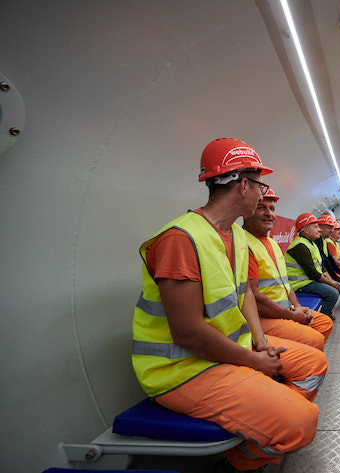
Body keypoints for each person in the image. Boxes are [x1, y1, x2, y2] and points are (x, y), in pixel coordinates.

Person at [131, 138, 328, 473]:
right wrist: (253, 360)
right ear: (243, 185)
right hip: (185, 369)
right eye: (260, 186)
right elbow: (188, 333)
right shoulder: (181, 240)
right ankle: (238, 464)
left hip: (229, 352)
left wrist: (261, 343)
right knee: (302, 422)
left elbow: (245, 295)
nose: (262, 196)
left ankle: (261, 434)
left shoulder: (235, 236)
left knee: (313, 362)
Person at [243, 188, 333, 351]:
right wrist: (292, 316)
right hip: (264, 317)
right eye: (261, 207)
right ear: (247, 211)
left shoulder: (273, 244)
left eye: (272, 208)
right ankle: (301, 357)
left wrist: (297, 307)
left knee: (325, 323)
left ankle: (300, 351)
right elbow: (253, 298)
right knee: (315, 340)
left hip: (285, 309)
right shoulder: (245, 244)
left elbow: (286, 283)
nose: (268, 213)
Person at [285, 213, 340, 318]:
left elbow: (321, 266)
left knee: (336, 286)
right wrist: (330, 283)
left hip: (308, 281)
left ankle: (325, 315)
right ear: (306, 230)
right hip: (299, 284)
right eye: (316, 227)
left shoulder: (311, 243)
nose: (319, 230)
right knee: (332, 293)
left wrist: (331, 280)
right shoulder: (300, 246)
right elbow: (312, 273)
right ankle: (320, 319)